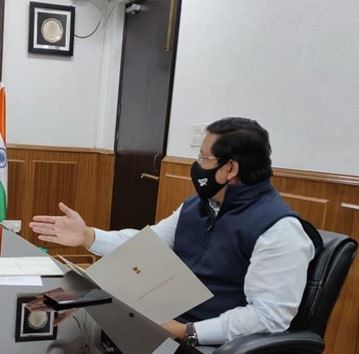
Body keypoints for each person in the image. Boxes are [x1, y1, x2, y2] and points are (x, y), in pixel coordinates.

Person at [29, 117, 319, 348]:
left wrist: (187, 331)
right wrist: (89, 236)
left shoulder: (280, 231)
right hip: (162, 326)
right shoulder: (197, 206)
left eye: (204, 159)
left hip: (206, 342)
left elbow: (268, 317)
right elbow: (147, 244)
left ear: (230, 169)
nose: (197, 166)